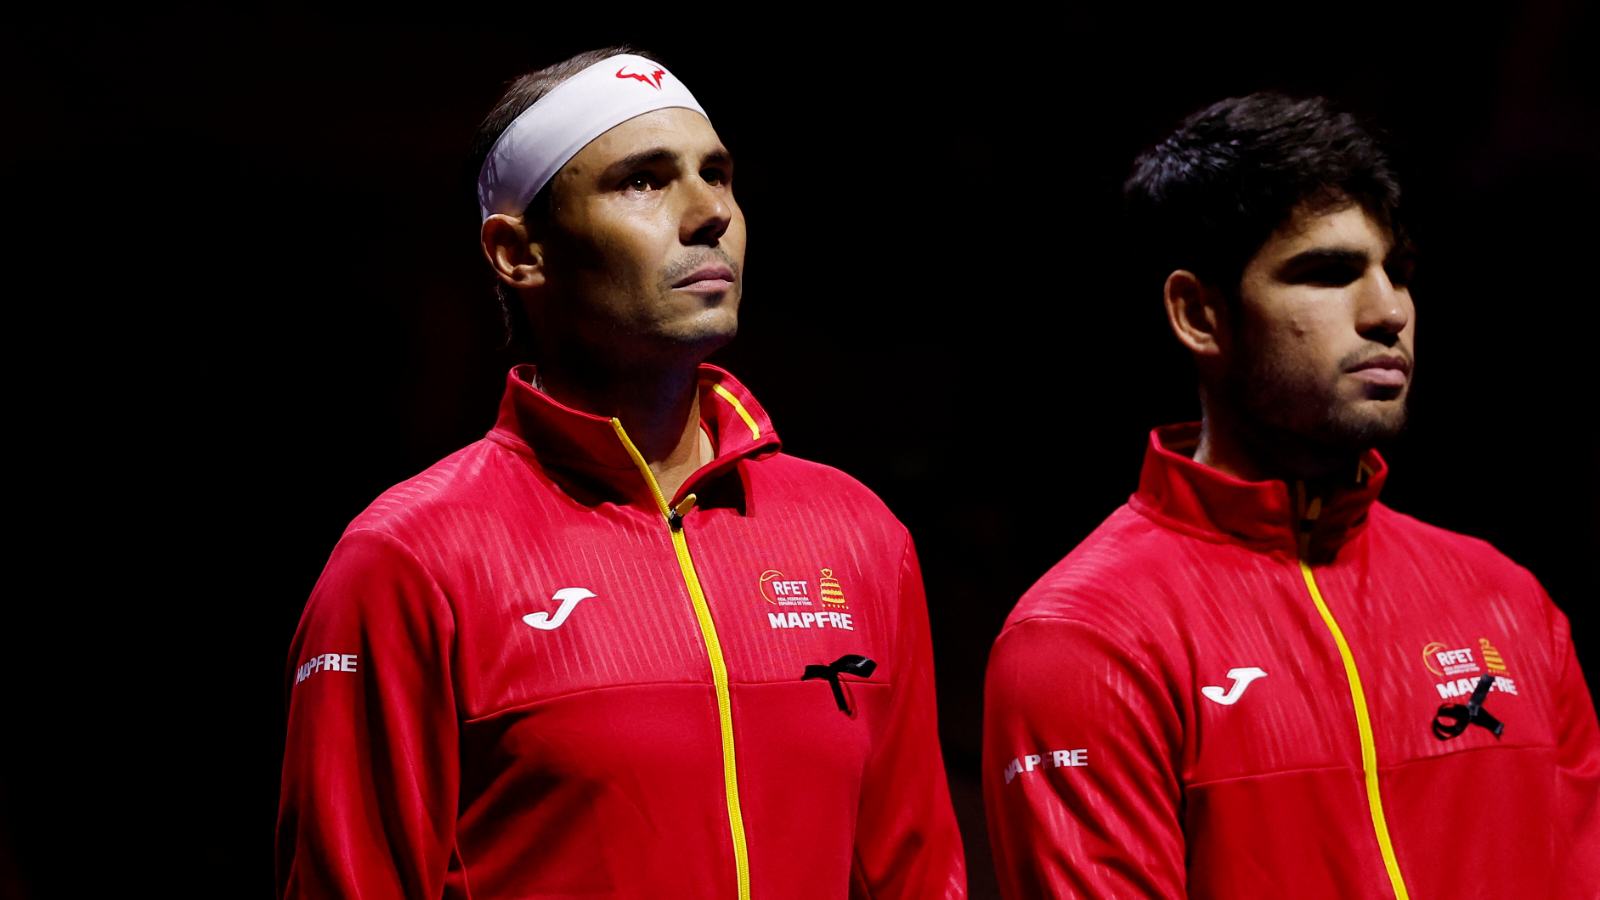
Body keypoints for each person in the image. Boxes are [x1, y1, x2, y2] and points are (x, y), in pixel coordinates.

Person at [277, 47, 966, 899]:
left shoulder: (857, 532)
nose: (710, 211)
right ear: (519, 252)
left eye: (716, 173)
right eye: (644, 181)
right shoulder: (408, 560)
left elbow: (918, 875)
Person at [982, 92, 1600, 899]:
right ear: (1200, 315)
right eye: (1328, 273)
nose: (1387, 313)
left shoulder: (1508, 602)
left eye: (1398, 272)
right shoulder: (1085, 641)